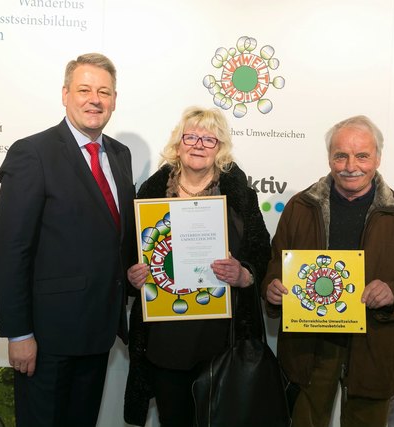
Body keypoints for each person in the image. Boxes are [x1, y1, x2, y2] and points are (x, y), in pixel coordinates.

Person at [263, 115, 394, 427]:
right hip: (309, 348)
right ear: (329, 157)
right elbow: (276, 264)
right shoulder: (300, 206)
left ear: (377, 157)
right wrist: (271, 287)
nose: (351, 165)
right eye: (341, 155)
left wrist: (393, 293)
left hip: (375, 345)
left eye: (362, 155)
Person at [0, 53, 136, 427]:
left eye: (104, 91)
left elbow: (113, 237)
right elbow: (10, 250)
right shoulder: (33, 153)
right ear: (65, 94)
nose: (95, 99)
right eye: (85, 89)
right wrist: (19, 333)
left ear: (115, 100)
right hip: (47, 338)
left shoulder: (120, 156)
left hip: (99, 331)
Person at [123, 106, 271, 427]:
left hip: (221, 339)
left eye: (209, 139)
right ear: (178, 144)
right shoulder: (148, 195)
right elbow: (128, 257)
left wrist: (245, 275)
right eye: (191, 136)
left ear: (220, 148)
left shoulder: (239, 197)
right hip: (166, 337)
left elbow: (262, 256)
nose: (199, 144)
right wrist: (133, 275)